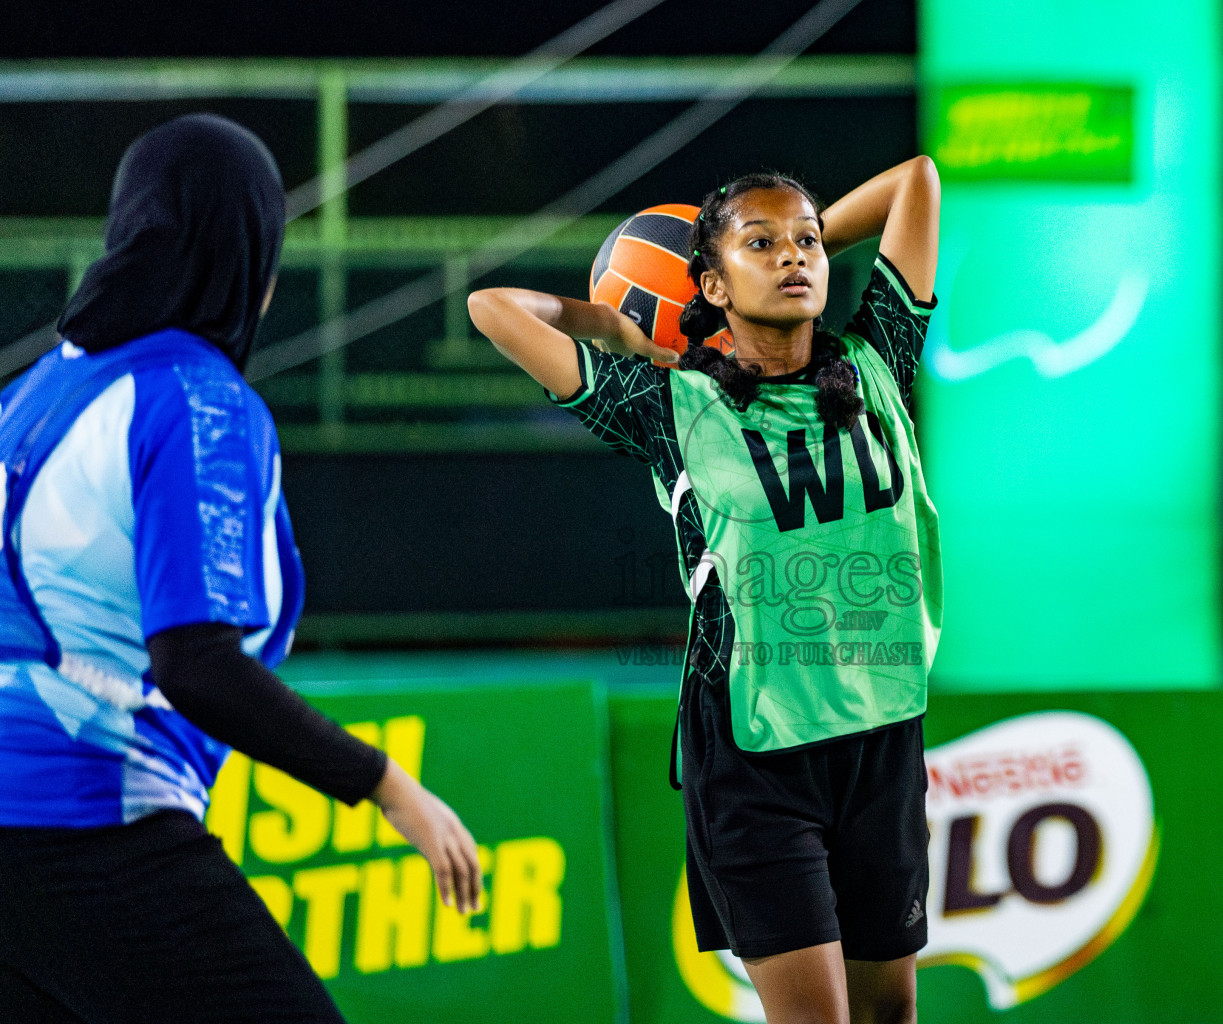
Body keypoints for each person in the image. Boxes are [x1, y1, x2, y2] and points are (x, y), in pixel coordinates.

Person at [0, 114, 482, 1023]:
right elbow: (195, 661)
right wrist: (387, 784)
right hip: (85, 816)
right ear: (248, 257)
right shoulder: (196, 397)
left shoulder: (28, 396)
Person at [469, 157, 941, 1024]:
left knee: (889, 1017)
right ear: (712, 283)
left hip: (881, 731)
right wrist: (616, 322)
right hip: (758, 757)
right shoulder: (668, 406)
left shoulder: (879, 360)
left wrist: (793, 246)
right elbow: (491, 308)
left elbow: (917, 179)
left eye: (806, 243)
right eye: (761, 244)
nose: (793, 256)